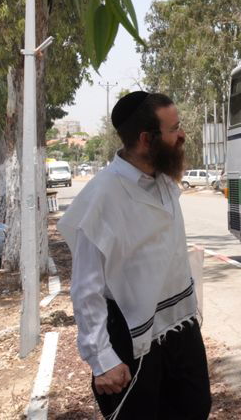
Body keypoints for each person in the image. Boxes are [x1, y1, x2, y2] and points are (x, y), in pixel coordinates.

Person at [58, 92, 210, 420]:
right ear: (146, 139)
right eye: (175, 129)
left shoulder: (164, 179)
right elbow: (86, 289)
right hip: (130, 339)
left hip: (180, 329)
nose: (182, 135)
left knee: (194, 409)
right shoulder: (101, 199)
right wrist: (102, 359)